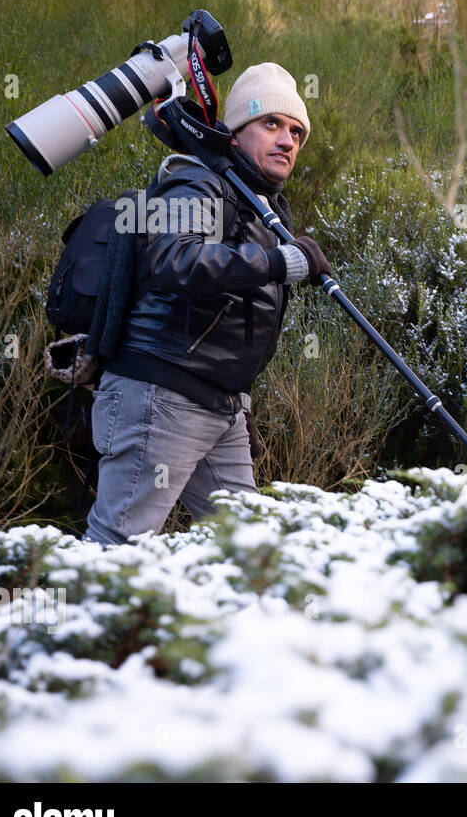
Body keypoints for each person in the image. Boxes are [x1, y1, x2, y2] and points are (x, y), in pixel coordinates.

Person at [83, 62, 334, 545]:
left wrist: (237, 401)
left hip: (219, 409)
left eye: (297, 132)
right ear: (236, 132)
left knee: (249, 552)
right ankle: (51, 621)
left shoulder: (258, 204)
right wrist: (278, 263)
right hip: (160, 396)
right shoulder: (194, 180)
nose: (288, 140)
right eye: (272, 124)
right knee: (116, 549)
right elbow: (174, 259)